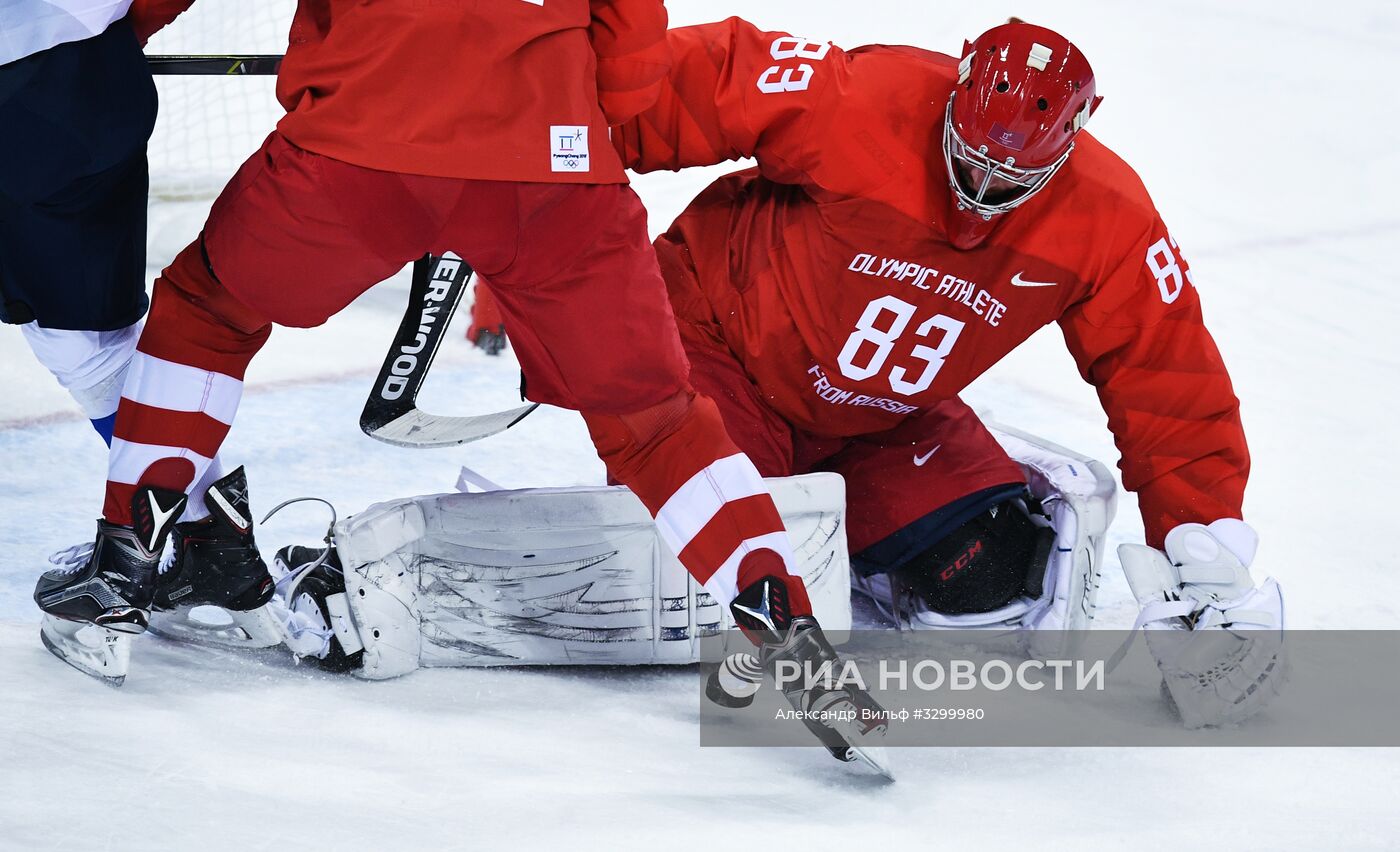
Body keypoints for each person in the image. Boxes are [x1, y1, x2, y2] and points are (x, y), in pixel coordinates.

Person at [33, 0, 875, 753]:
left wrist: (105, 40)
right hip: (556, 169)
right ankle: (788, 632)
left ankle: (124, 563)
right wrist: (533, 123)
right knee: (657, 422)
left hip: (360, 147)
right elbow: (632, 56)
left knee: (206, 313)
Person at [602, 17, 1284, 725]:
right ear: (956, 90)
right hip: (717, 345)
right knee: (717, 576)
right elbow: (676, 85)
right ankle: (806, 526)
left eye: (1013, 177)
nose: (983, 188)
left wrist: (1198, 530)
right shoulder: (862, 96)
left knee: (992, 576)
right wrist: (537, 201)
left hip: (875, 418)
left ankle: (868, 524)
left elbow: (1166, 372)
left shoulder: (1110, 217)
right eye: (971, 159)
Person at [2, 1, 270, 675]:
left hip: (23, 103)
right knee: (93, 332)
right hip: (95, 80)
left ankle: (203, 545)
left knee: (78, 339)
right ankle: (213, 544)